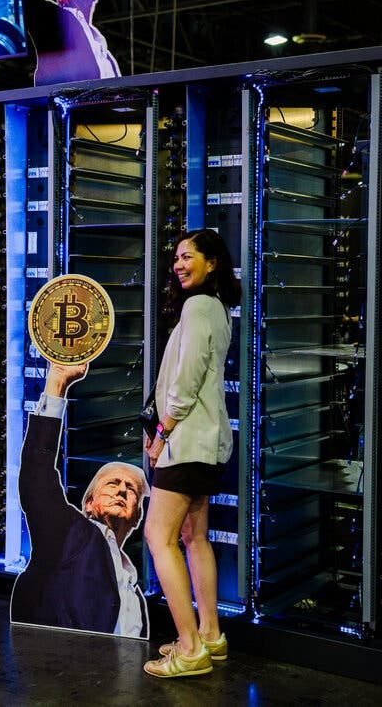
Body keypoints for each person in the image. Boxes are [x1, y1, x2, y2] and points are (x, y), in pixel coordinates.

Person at [143, 229, 241, 679]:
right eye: (176, 258)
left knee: (157, 537)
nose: (179, 265)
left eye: (188, 257)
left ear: (213, 262)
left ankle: (189, 648)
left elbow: (184, 382)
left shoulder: (199, 306)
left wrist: (161, 433)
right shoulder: (217, 309)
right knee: (193, 537)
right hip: (207, 443)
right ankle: (210, 635)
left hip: (185, 444)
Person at [11, 361, 150, 637]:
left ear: (138, 516)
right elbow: (35, 475)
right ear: (88, 503)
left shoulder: (134, 588)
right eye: (112, 484)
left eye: (131, 489)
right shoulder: (70, 533)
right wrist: (57, 381)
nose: (122, 490)